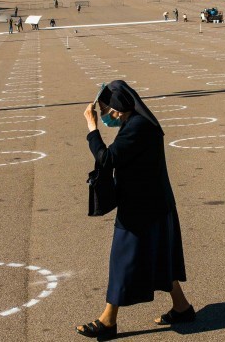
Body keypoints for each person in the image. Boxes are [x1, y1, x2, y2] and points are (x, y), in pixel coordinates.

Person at [78, 81, 193, 339]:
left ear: (119, 106)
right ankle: (182, 307)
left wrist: (92, 129)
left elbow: (107, 159)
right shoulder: (138, 122)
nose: (107, 115)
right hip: (153, 204)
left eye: (107, 110)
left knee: (122, 261)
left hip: (141, 210)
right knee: (162, 259)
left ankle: (108, 320)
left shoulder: (138, 128)